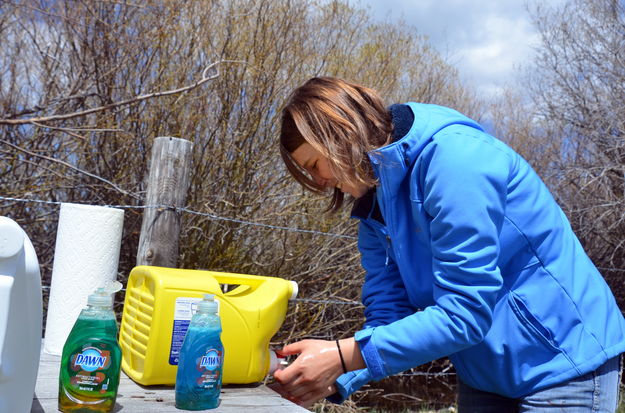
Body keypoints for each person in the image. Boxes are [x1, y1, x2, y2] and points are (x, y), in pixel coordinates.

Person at [271, 76, 625, 412]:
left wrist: (343, 355)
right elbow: (389, 314)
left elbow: (465, 312)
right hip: (484, 371)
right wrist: (331, 373)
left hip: (562, 355)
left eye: (315, 164)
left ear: (340, 135)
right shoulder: (373, 211)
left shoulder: (455, 161)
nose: (318, 181)